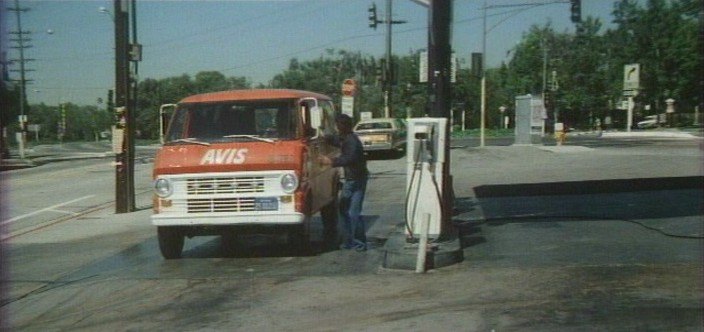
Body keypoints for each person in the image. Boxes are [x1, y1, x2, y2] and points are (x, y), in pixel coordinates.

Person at [319, 114, 369, 251]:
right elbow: (336, 141)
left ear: (343, 126)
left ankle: (356, 243)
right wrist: (325, 137)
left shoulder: (351, 141)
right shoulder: (347, 138)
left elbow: (349, 158)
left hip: (355, 179)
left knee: (350, 211)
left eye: (337, 125)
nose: (336, 128)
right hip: (356, 178)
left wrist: (331, 162)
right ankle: (355, 242)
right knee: (351, 211)